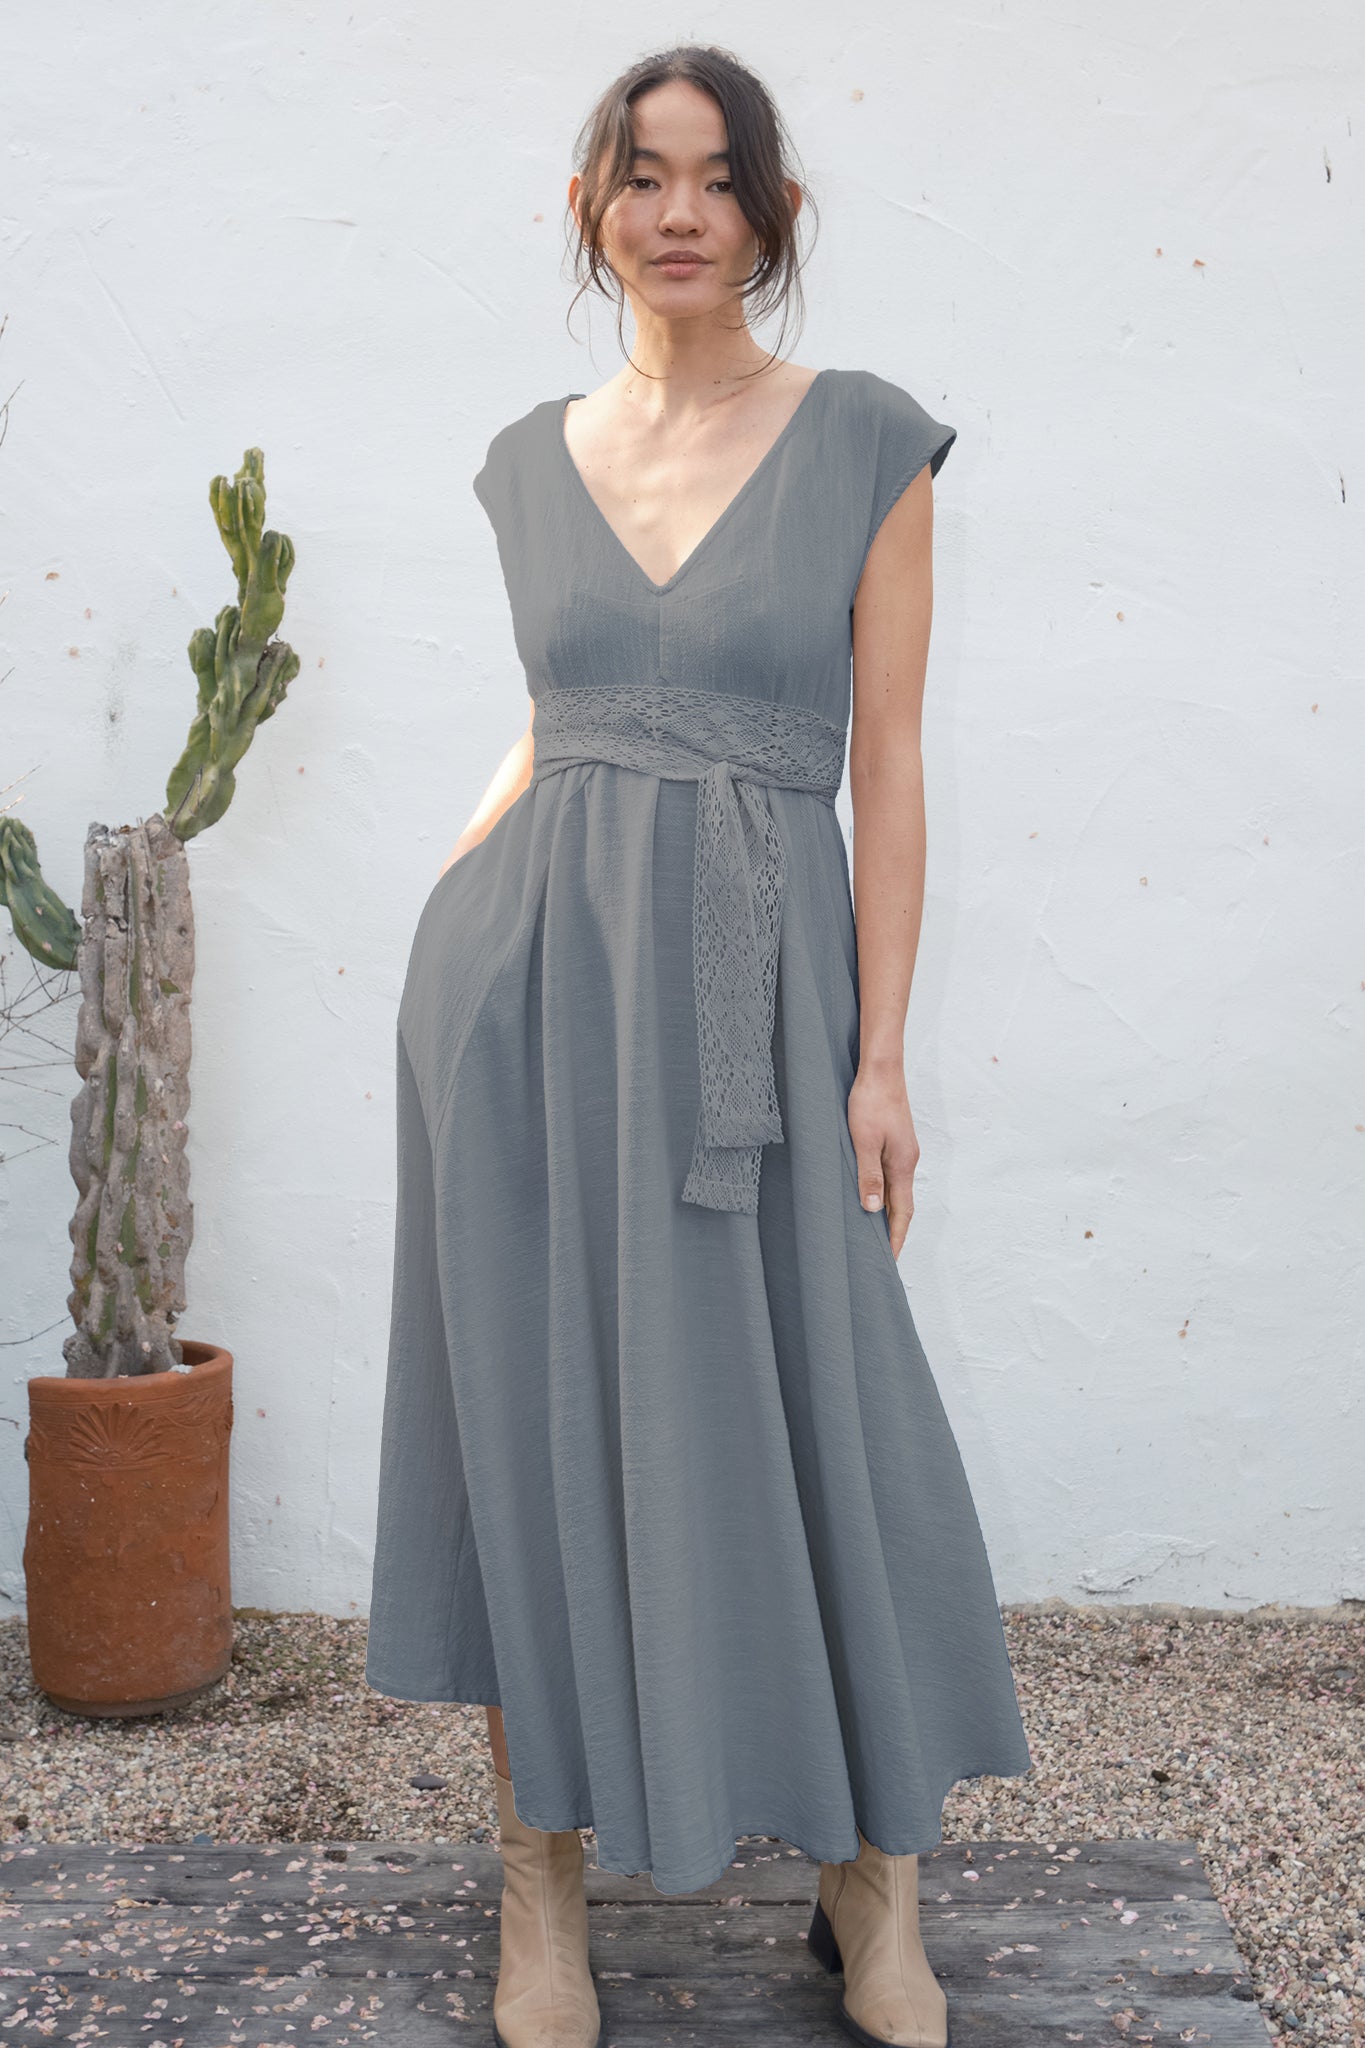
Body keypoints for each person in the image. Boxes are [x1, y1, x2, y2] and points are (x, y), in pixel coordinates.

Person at [365, 41, 1032, 2048]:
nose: (676, 211)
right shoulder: (523, 460)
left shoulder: (863, 442)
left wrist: (880, 1056)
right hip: (524, 997)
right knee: (537, 1418)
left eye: (716, 176)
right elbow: (563, 718)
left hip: (763, 990)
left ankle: (871, 1876)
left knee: (829, 1404)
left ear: (770, 213)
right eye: (641, 174)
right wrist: (448, 916)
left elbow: (888, 763)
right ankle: (539, 1882)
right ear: (589, 208)